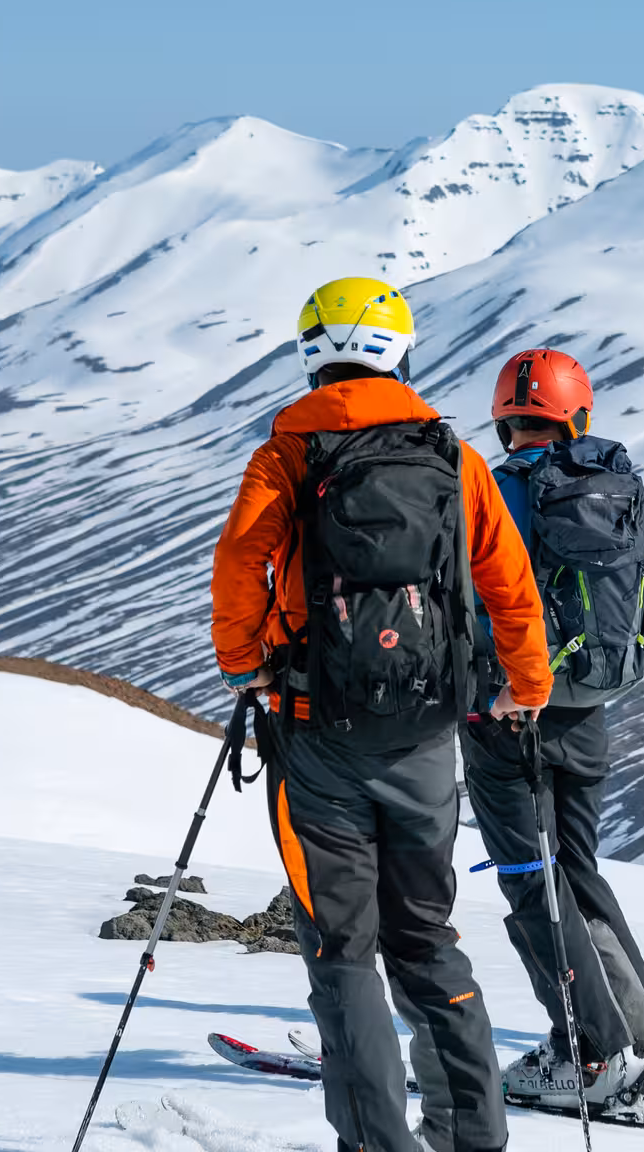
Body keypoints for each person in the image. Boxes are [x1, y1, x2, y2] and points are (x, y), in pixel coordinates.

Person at [210, 278, 554, 1152]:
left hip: (315, 730)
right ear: (401, 351)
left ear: (312, 354)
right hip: (427, 733)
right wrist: (527, 684)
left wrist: (244, 661)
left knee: (342, 949)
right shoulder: (453, 457)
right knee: (426, 938)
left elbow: (240, 560)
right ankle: (471, 1137)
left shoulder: (289, 454)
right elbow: (508, 583)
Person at [460, 347, 644, 1111]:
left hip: (510, 712)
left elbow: (472, 601)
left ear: (505, 422)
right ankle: (640, 1036)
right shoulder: (616, 492)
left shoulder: (498, 494)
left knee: (533, 880)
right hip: (590, 710)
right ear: (580, 416)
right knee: (578, 869)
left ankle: (587, 1056)